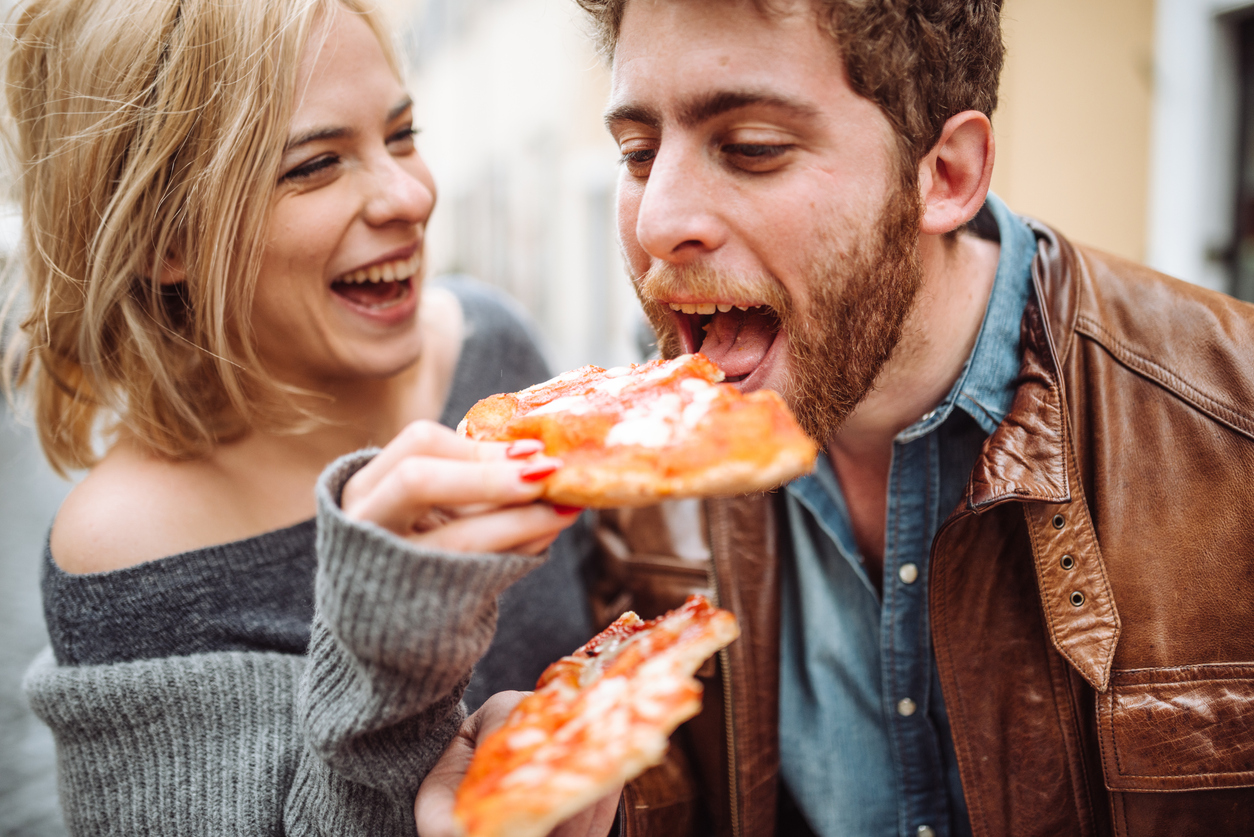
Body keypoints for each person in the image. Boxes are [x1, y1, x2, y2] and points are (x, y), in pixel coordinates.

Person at [416, 0, 1254, 835]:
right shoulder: (624, 474)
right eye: (637, 154)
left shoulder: (1230, 429)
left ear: (947, 174)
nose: (657, 220)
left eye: (751, 149)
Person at [4, 0, 613, 834]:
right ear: (164, 238)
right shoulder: (127, 543)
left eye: (401, 135)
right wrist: (382, 662)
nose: (410, 194)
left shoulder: (490, 350)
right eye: (316, 165)